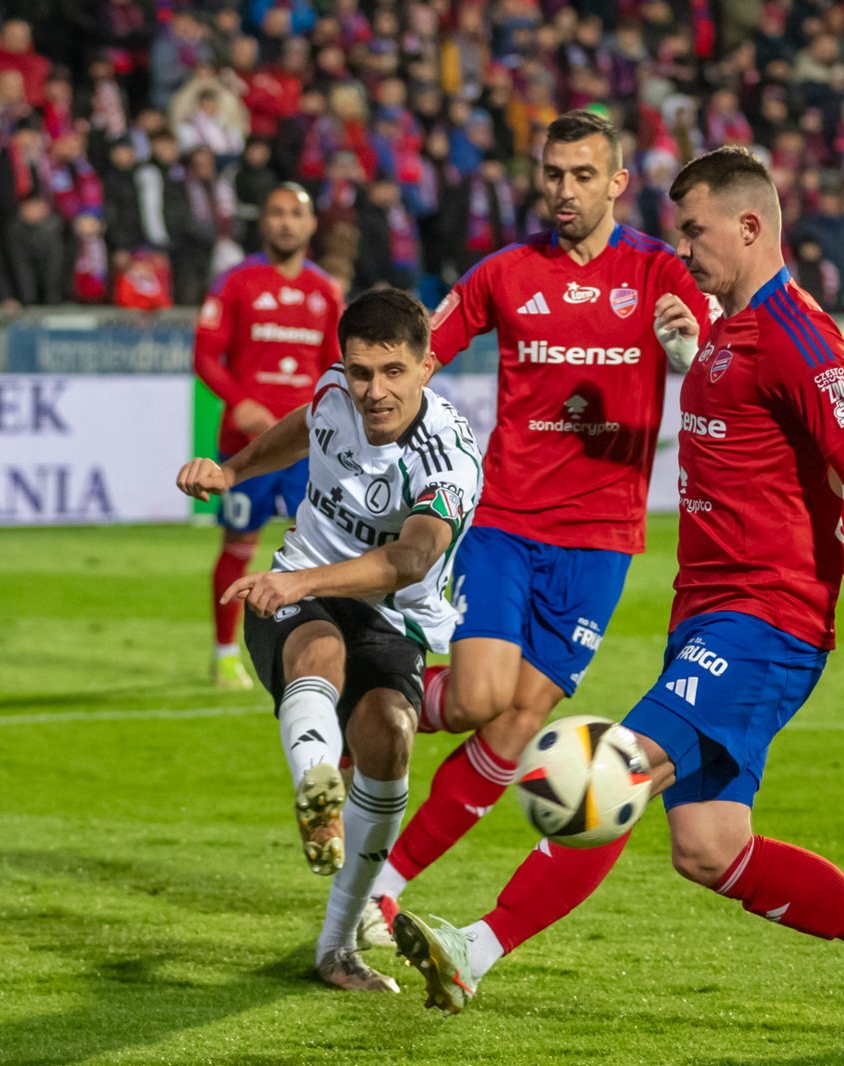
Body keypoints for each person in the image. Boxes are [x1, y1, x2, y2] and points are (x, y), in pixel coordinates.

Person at [390, 146, 844, 1046]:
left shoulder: (797, 336)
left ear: (750, 226)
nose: (683, 249)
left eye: (696, 231)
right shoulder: (721, 330)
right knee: (709, 851)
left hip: (766, 621)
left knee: (605, 770)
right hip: (706, 615)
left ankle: (476, 948)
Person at [355, 109, 712, 946]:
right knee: (479, 697)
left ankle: (384, 886)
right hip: (510, 521)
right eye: (553, 174)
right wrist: (378, 417)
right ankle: (362, 712)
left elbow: (723, 356)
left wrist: (692, 347)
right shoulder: (506, 273)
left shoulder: (662, 272)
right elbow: (420, 355)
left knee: (517, 726)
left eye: (583, 175)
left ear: (618, 183)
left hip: (604, 542)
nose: (564, 190)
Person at [175, 289, 483, 993]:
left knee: (390, 737)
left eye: (393, 373)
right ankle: (318, 791)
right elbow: (305, 425)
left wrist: (306, 579)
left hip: (393, 616)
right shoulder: (334, 394)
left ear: (427, 367)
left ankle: (337, 947)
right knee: (319, 655)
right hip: (298, 593)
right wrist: (233, 470)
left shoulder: (449, 455)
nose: (374, 391)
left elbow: (409, 561)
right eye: (360, 372)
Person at [193, 183, 342, 689]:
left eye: (295, 214)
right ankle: (224, 652)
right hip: (247, 446)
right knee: (240, 544)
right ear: (265, 222)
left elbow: (333, 369)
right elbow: (205, 356)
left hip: (309, 448)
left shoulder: (324, 292)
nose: (285, 223)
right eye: (276, 213)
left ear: (310, 224)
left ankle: (320, 649)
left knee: (324, 549)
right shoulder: (236, 282)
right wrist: (241, 403)